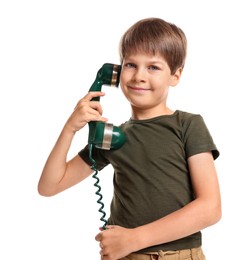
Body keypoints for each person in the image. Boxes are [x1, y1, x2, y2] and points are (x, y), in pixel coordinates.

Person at [38, 17, 221, 260]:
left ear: (175, 76)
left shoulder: (188, 125)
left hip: (178, 254)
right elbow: (49, 186)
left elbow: (210, 208)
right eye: (130, 65)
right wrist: (69, 130)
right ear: (115, 73)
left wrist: (135, 238)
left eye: (153, 67)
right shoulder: (113, 138)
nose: (138, 76)